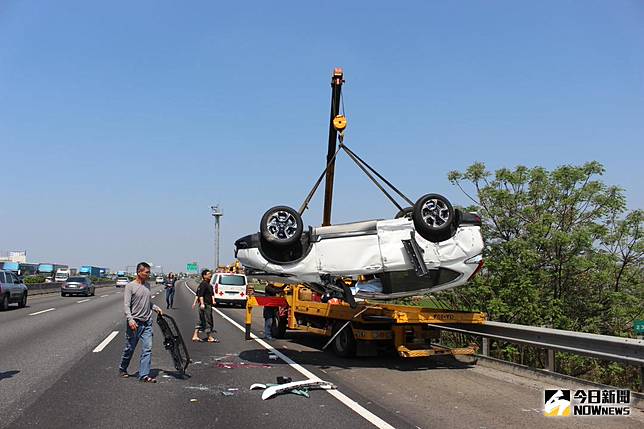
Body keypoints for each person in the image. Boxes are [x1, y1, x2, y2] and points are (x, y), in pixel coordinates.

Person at [118, 262, 162, 383]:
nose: (149, 274)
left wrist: (155, 308)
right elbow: (126, 306)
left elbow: (147, 302)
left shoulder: (147, 285)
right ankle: (122, 368)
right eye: (146, 272)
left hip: (147, 322)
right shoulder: (130, 286)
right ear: (139, 272)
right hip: (135, 323)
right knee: (130, 348)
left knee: (147, 348)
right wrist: (130, 319)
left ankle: (144, 375)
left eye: (149, 272)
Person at [191, 269, 218, 343]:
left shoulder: (208, 284)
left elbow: (211, 294)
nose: (210, 275)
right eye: (209, 274)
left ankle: (195, 336)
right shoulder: (203, 284)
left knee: (201, 320)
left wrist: (213, 301)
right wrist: (202, 304)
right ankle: (209, 337)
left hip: (207, 304)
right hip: (205, 305)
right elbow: (200, 295)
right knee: (208, 320)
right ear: (204, 276)